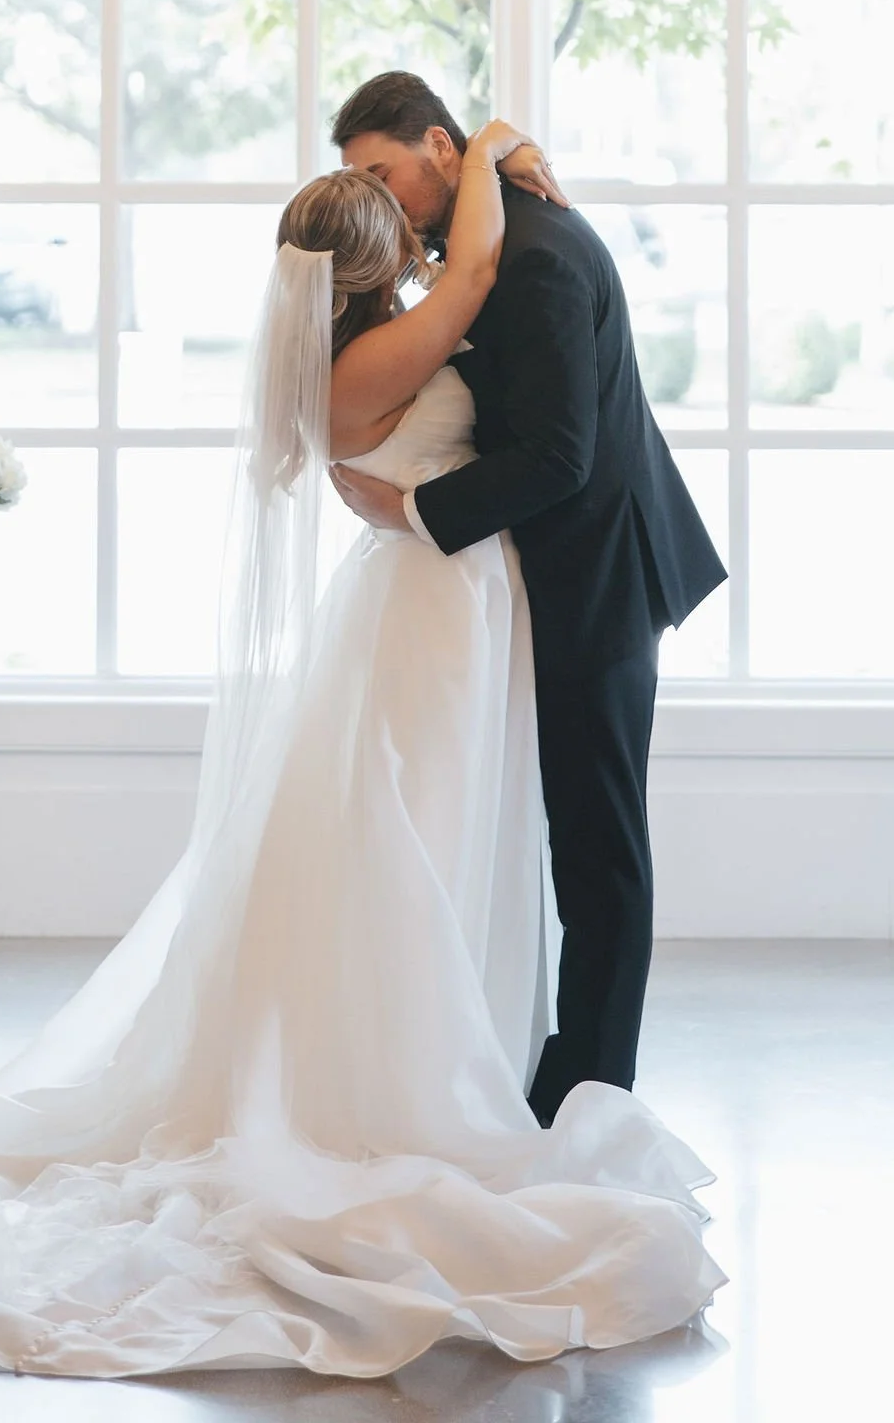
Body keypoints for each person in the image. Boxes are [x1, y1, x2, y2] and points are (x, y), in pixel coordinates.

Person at [0, 121, 721, 1378]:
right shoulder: (408, 331)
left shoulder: (342, 351)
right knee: (422, 838)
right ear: (374, 255)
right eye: (384, 196)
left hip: (431, 594)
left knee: (429, 838)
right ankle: (427, 1079)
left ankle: (471, 1059)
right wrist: (488, 155)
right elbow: (478, 284)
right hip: (432, 602)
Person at [330, 71, 726, 1119]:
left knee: (596, 844)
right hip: (545, 576)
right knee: (561, 831)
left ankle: (594, 1088)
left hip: (597, 571)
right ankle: (547, 1062)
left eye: (381, 173)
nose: (378, 198)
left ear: (434, 146)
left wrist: (408, 511)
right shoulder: (488, 236)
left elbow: (556, 456)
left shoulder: (536, 256)